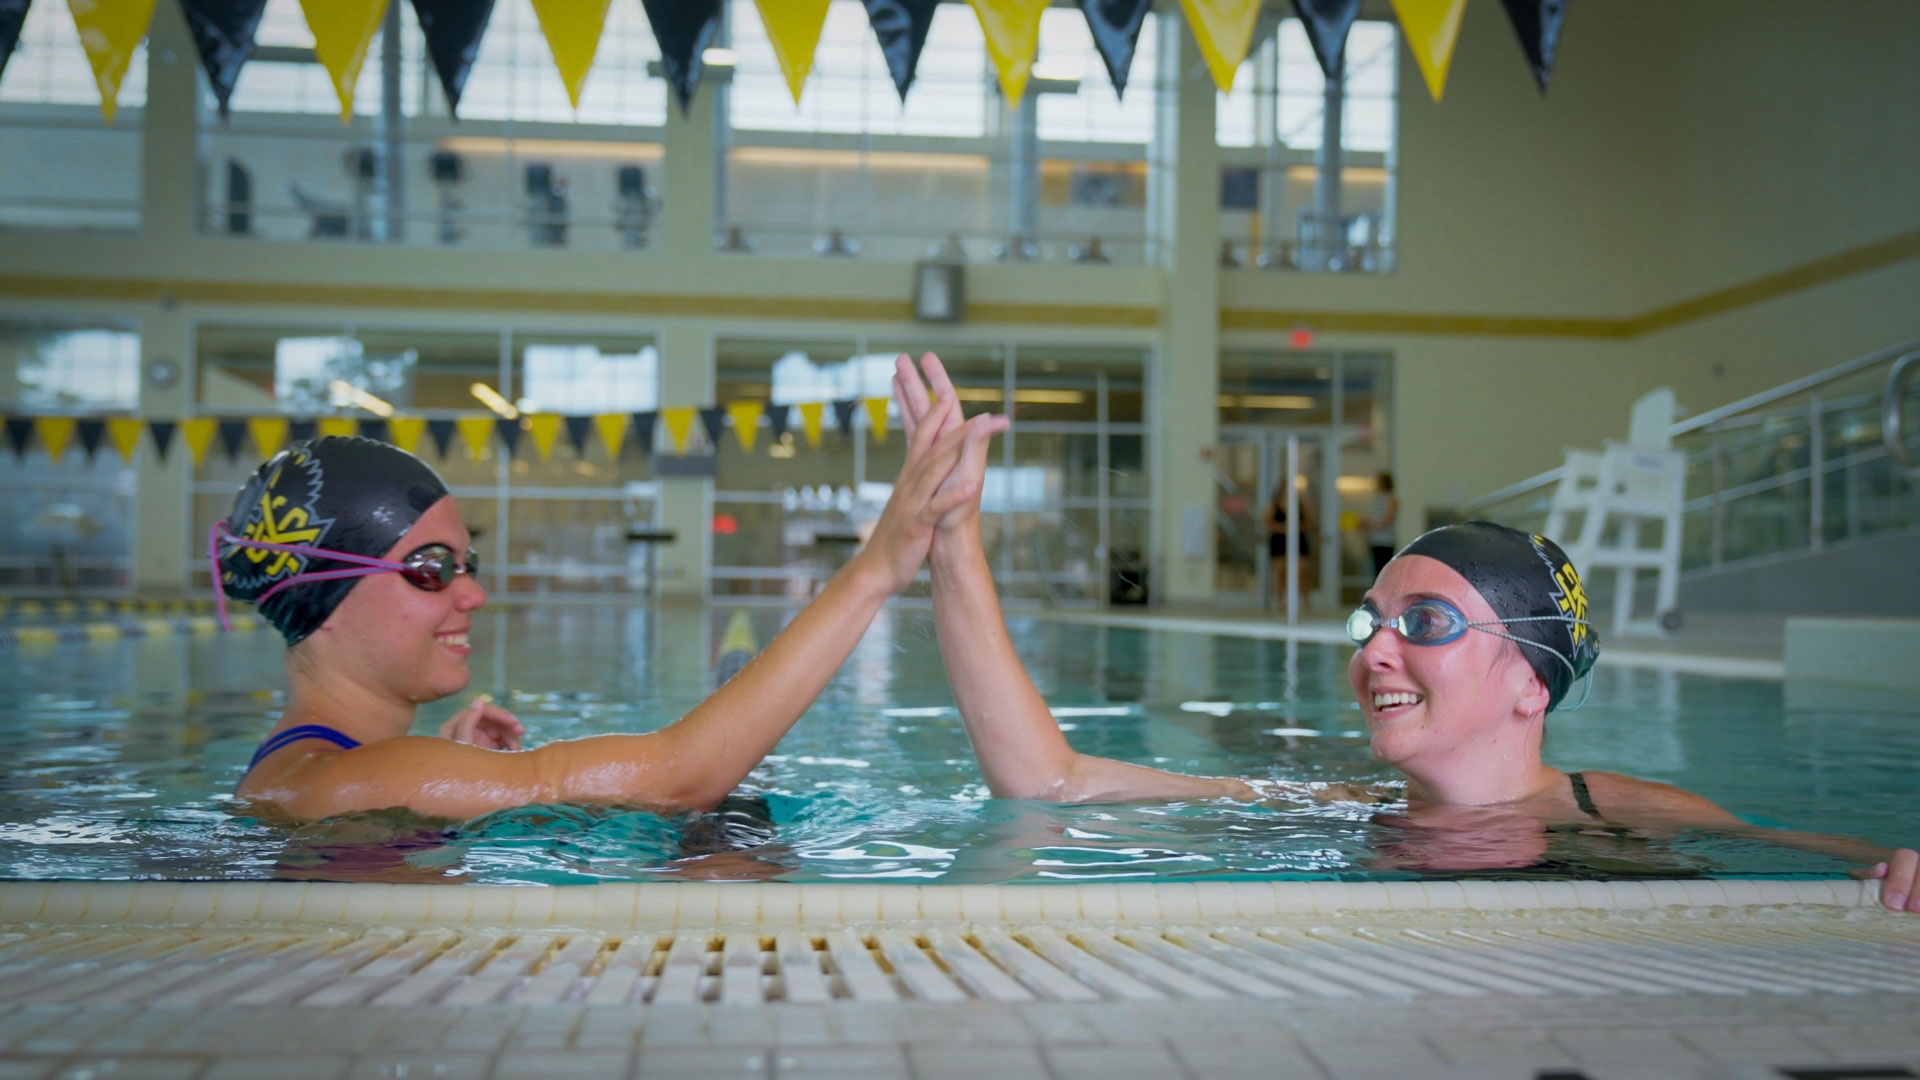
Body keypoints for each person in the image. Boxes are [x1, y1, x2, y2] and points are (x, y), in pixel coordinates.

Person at [891, 354, 1920, 913]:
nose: (1372, 653)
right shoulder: (1336, 807)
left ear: (1531, 682)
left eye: (1422, 624)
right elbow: (1048, 781)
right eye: (1370, 622)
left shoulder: (1628, 815)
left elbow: (1856, 863)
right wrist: (955, 542)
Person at [216, 394, 1005, 824]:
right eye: (431, 568)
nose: (473, 592)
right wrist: (873, 569)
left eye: (469, 563)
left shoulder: (326, 777)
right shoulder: (335, 786)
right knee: (721, 827)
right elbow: (677, 777)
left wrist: (455, 783)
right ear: (323, 592)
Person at [1259, 478, 1315, 609]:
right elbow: (1265, 522)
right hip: (1279, 541)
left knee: (1302, 572)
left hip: (1298, 540)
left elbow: (1310, 521)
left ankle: (1305, 601)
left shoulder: (1301, 504)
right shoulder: (1274, 506)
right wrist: (1284, 528)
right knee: (1280, 573)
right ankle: (1280, 603)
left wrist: (1296, 528)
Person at [1365, 471, 1398, 576]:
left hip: (1385, 542)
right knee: (1376, 572)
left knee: (1383, 572)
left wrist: (1369, 524)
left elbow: (1385, 521)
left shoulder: (1391, 500)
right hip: (1375, 540)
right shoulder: (1377, 500)